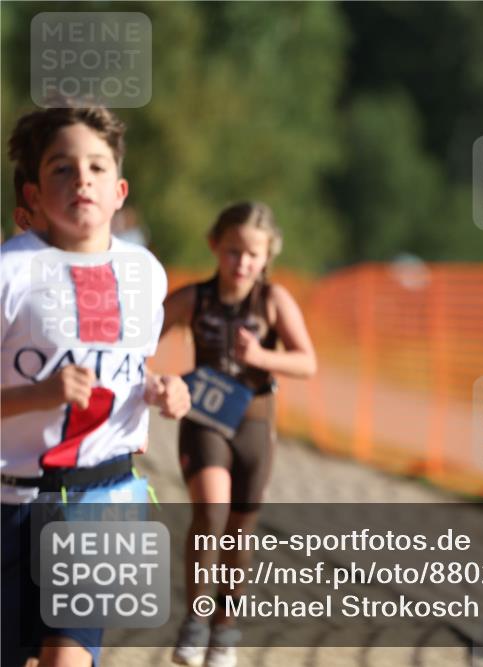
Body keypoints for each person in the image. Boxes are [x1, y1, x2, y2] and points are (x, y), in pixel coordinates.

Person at [2, 103, 191, 667]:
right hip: (12, 499)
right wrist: (39, 395)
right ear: (34, 194)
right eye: (62, 168)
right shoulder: (10, 273)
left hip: (101, 498)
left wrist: (164, 391)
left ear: (119, 191)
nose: (81, 179)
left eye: (97, 167)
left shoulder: (145, 273)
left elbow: (126, 369)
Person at [161, 201, 317, 667]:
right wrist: (153, 383)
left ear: (268, 255)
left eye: (253, 255)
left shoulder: (272, 301)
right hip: (204, 421)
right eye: (233, 251)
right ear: (215, 245)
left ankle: (224, 629)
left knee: (238, 533)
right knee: (211, 511)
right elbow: (137, 339)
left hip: (255, 425)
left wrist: (262, 357)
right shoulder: (194, 298)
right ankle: (195, 620)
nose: (242, 263)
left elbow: (307, 361)